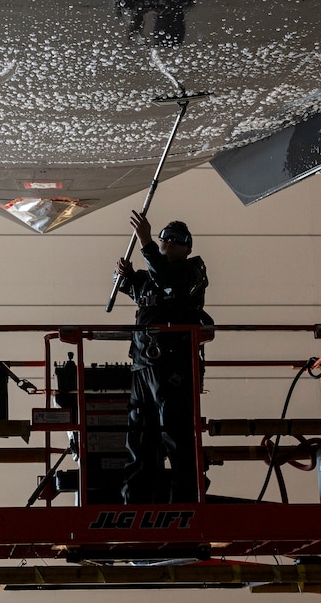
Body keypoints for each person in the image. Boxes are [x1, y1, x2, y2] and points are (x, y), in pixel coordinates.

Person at [114, 211, 211, 504]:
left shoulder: (193, 271)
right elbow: (139, 287)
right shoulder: (151, 277)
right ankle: (135, 503)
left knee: (176, 435)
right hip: (143, 367)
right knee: (139, 438)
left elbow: (171, 283)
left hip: (174, 367)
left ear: (187, 248)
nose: (168, 241)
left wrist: (146, 243)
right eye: (164, 237)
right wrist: (124, 276)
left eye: (176, 239)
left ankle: (186, 501)